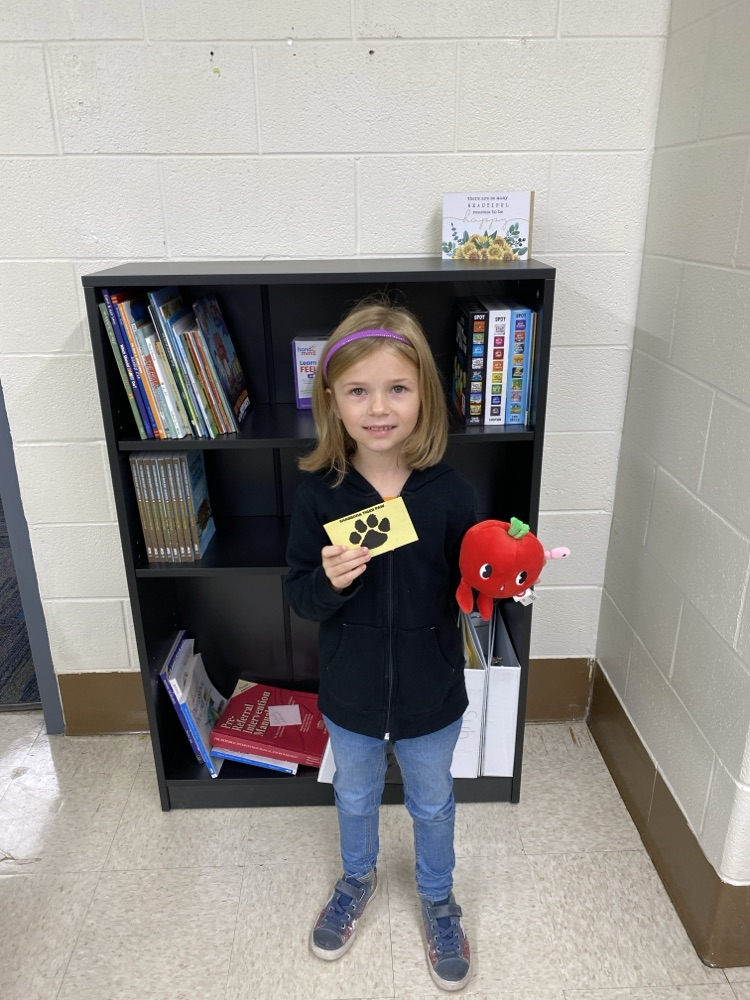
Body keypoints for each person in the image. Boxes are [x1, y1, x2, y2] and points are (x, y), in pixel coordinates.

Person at [285, 299, 477, 992]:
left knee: (433, 801)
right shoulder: (319, 496)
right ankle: (357, 878)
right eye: (359, 390)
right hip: (353, 692)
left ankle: (437, 898)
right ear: (332, 399)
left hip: (431, 692)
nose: (379, 408)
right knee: (355, 796)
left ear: (423, 393)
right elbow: (299, 595)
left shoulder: (451, 494)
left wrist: (501, 576)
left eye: (397, 388)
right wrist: (329, 583)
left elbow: (473, 580)